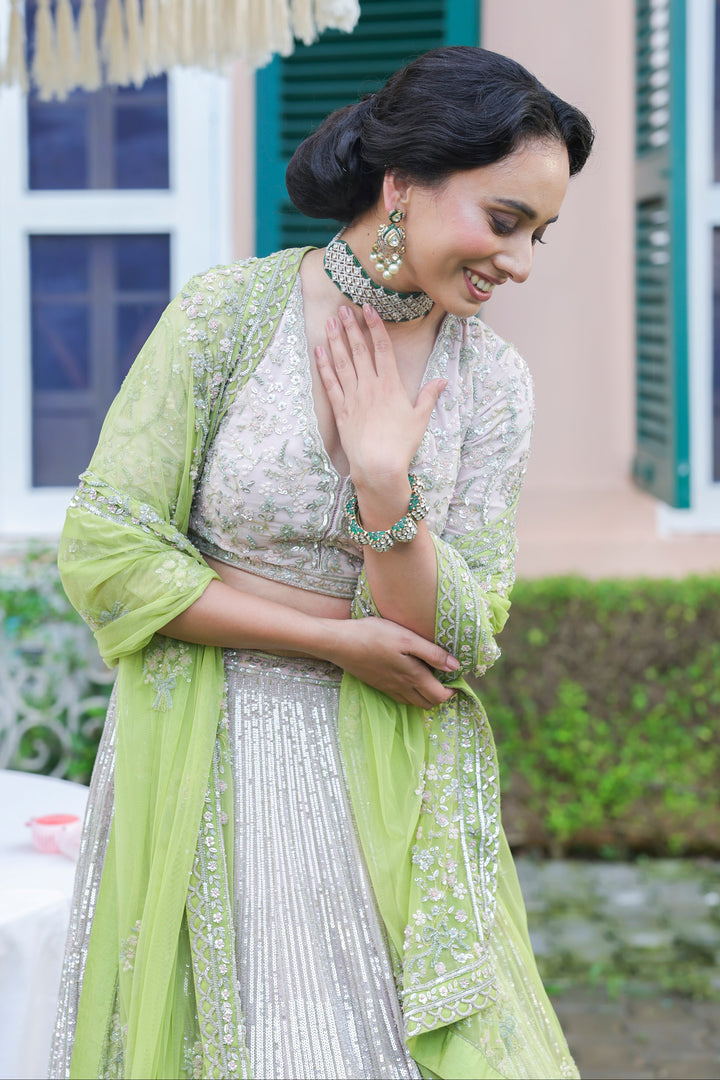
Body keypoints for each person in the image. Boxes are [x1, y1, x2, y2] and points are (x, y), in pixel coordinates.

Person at [50, 46, 593, 1080]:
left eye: (539, 235)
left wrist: (386, 489)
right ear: (403, 185)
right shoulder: (226, 319)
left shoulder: (495, 385)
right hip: (206, 751)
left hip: (388, 777)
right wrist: (332, 638)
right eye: (505, 219)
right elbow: (109, 547)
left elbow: (454, 640)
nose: (518, 261)